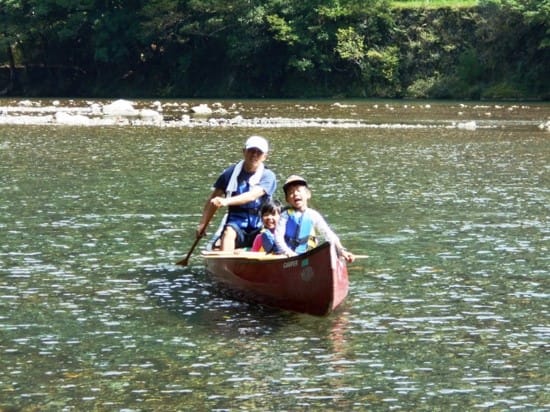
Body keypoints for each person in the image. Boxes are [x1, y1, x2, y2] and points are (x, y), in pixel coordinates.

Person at [196, 135, 277, 251]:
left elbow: (252, 195)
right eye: (251, 151)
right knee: (229, 232)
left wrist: (225, 201)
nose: (254, 154)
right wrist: (203, 224)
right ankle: (227, 262)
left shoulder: (268, 176)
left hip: (260, 220)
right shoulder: (229, 174)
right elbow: (213, 199)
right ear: (244, 152)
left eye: (259, 152)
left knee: (268, 236)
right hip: (236, 220)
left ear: (265, 156)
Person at [275, 175, 355, 263]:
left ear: (308, 194)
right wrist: (288, 252)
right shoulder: (285, 216)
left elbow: (328, 233)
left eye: (298, 190)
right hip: (287, 255)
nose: (295, 194)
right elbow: (278, 237)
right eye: (291, 192)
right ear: (287, 199)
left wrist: (341, 250)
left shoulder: (313, 214)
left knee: (330, 249)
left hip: (305, 254)